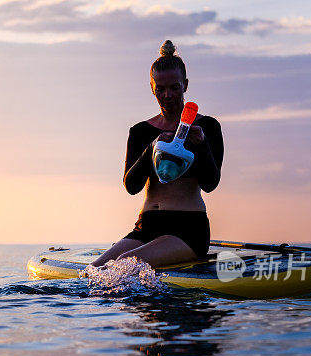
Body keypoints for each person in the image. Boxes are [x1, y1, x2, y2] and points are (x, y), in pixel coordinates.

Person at [91, 40, 223, 268]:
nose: (168, 95)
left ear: (186, 85)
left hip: (187, 229)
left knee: (125, 264)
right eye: (160, 89)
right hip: (146, 226)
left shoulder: (207, 127)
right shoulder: (141, 131)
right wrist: (150, 149)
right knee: (94, 271)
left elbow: (211, 183)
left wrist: (201, 145)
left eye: (174, 87)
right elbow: (131, 186)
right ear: (151, 87)